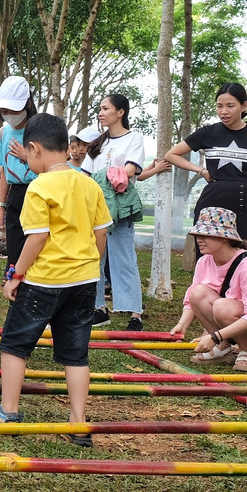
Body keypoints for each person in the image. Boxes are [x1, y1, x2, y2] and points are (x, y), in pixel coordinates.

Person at [0, 113, 111, 448]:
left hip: (44, 281)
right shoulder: (89, 184)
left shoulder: (40, 186)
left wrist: (16, 275)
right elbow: (101, 232)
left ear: (34, 149)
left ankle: (8, 410)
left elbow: (36, 238)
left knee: (15, 344)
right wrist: (89, 265)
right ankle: (77, 423)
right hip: (83, 281)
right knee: (76, 353)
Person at [164, 83, 247, 245]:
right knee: (209, 249)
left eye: (230, 106)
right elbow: (171, 155)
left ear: (244, 106)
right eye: (219, 106)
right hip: (213, 200)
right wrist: (201, 170)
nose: (224, 111)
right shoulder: (208, 132)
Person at [83, 93, 145, 331]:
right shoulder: (98, 143)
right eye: (100, 108)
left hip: (120, 209)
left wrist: (106, 177)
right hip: (95, 210)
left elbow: (130, 170)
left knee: (124, 260)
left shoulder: (134, 138)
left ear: (121, 112)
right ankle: (99, 309)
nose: (101, 112)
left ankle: (135, 314)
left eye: (105, 108)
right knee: (94, 259)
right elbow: (85, 176)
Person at [174, 207, 247, 373]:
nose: (199, 239)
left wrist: (215, 336)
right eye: (198, 234)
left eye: (206, 235)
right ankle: (223, 348)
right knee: (197, 292)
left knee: (223, 306)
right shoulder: (205, 261)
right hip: (234, 324)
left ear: (225, 238)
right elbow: (192, 299)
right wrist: (182, 325)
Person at [0, 76, 38, 272]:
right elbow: (2, 174)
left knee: (36, 237)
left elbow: (54, 165)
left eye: (13, 109)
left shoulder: (40, 129)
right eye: (4, 110)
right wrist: (0, 207)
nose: (8, 114)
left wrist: (27, 156)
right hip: (16, 194)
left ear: (27, 104)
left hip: (38, 190)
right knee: (15, 237)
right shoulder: (2, 134)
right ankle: (13, 277)